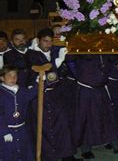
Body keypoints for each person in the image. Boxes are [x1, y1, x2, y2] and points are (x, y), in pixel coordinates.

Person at [25, 28, 78, 161]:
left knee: (63, 125)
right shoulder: (31, 54)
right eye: (45, 41)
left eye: (50, 42)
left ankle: (67, 155)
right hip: (40, 96)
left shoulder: (54, 50)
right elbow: (44, 70)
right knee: (44, 127)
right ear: (38, 40)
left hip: (57, 95)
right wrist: (57, 62)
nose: (48, 45)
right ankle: (46, 156)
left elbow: (71, 58)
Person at [0, 65, 37, 161]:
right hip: (7, 131)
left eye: (15, 76)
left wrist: (40, 81)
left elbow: (33, 92)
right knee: (9, 154)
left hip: (22, 130)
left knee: (24, 152)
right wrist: (4, 132)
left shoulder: (21, 91)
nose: (13, 78)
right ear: (2, 78)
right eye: (9, 75)